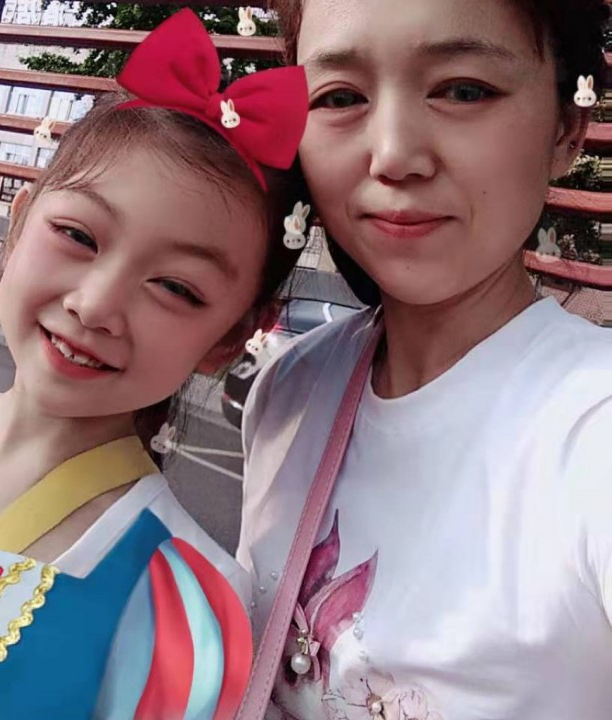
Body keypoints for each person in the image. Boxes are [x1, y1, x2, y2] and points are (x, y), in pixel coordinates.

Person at [0, 9, 309, 720]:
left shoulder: (184, 607)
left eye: (175, 287)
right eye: (78, 236)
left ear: (233, 337)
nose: (95, 305)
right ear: (19, 223)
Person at [236, 0, 612, 718]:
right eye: (339, 98)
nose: (394, 154)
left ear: (567, 128)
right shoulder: (289, 387)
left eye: (464, 90)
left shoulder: (592, 426)